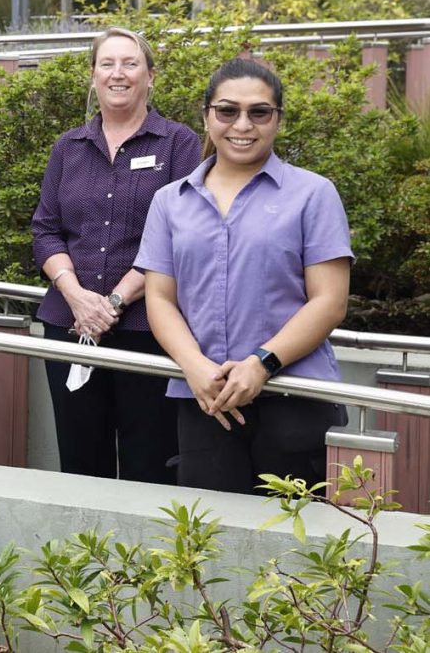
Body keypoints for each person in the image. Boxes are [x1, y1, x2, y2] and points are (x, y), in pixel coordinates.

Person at [138, 57, 351, 494]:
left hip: (295, 396)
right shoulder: (169, 201)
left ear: (277, 119)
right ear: (207, 116)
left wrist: (262, 364)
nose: (243, 124)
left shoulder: (313, 194)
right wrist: (193, 366)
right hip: (206, 399)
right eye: (227, 111)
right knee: (210, 544)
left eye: (259, 112)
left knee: (296, 546)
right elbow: (160, 297)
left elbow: (329, 300)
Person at [31, 27, 201, 484]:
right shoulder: (69, 147)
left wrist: (113, 303)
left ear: (150, 76)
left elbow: (178, 235)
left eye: (130, 64)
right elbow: (45, 229)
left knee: (151, 463)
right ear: (92, 76)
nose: (118, 74)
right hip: (70, 326)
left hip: (149, 327)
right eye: (107, 64)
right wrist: (78, 298)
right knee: (81, 461)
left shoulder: (178, 145)